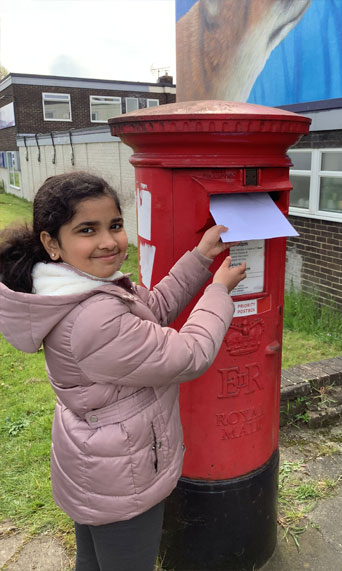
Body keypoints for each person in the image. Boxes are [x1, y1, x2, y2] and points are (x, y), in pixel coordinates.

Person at [0, 171, 246, 571]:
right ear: (51, 243)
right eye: (87, 230)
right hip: (122, 475)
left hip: (97, 461)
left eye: (114, 225)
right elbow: (190, 353)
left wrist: (200, 259)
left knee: (93, 562)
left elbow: (153, 311)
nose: (108, 241)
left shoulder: (77, 287)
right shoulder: (92, 317)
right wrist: (218, 290)